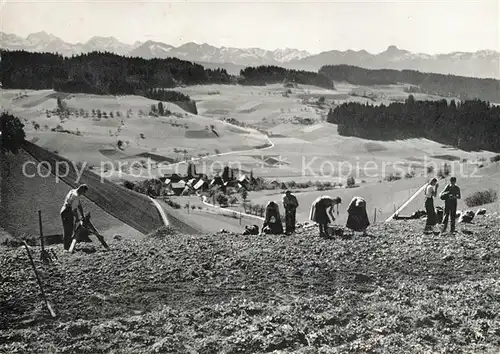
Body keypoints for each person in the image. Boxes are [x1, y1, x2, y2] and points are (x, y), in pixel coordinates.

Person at [60, 184, 88, 250]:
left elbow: (79, 205)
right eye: (84, 192)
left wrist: (82, 215)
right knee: (68, 230)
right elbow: (74, 210)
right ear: (81, 190)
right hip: (67, 212)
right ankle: (67, 248)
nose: (83, 194)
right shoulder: (75, 196)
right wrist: (77, 218)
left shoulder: (73, 191)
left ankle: (68, 245)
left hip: (65, 210)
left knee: (70, 229)